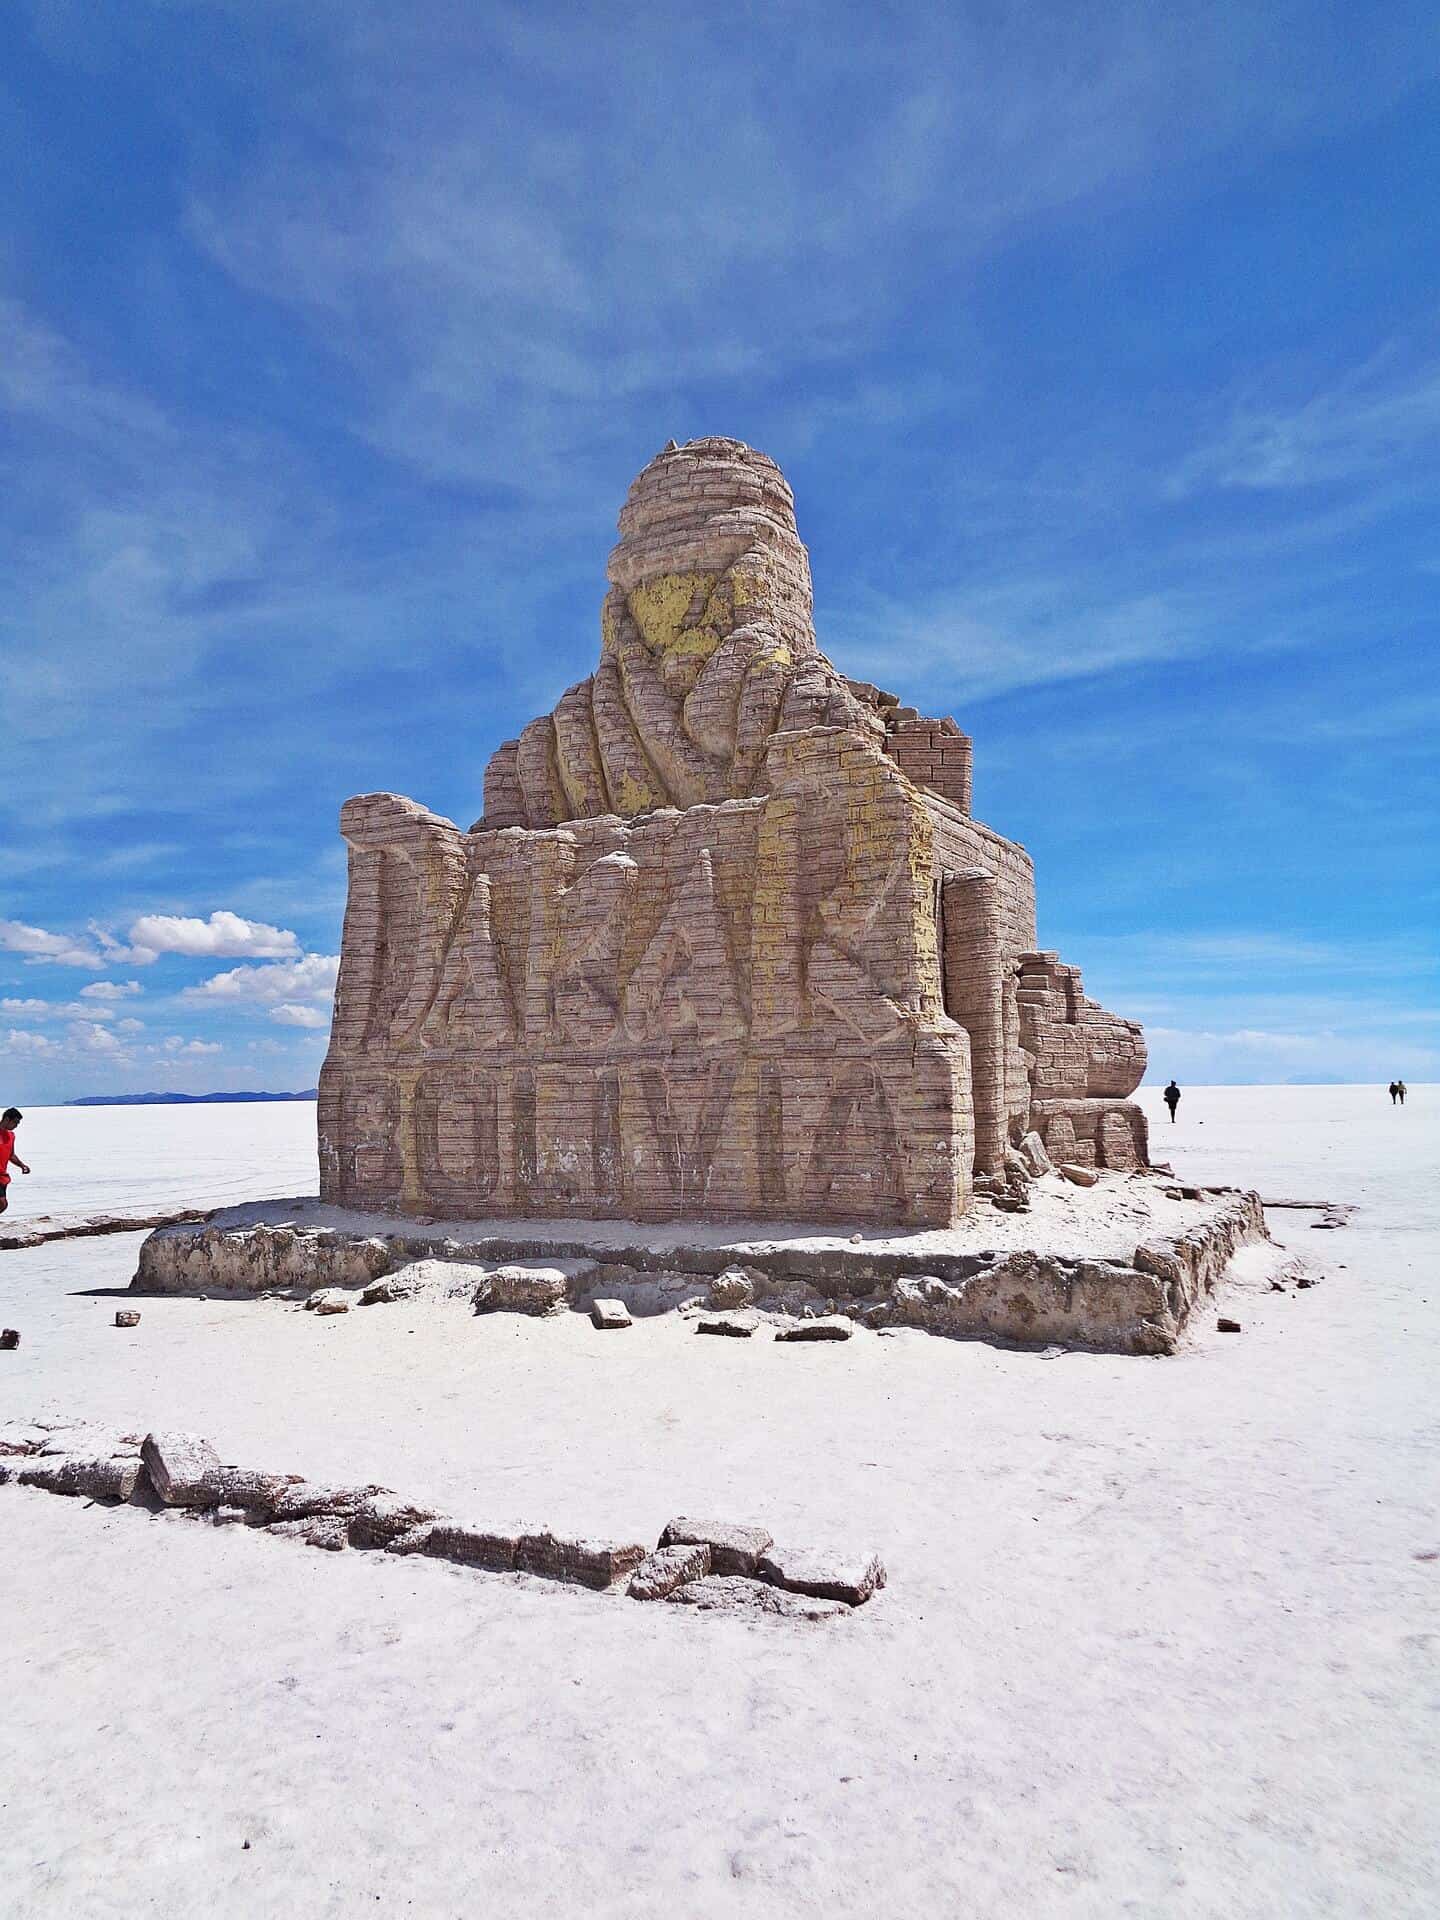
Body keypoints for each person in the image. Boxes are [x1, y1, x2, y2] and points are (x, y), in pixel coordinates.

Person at [0, 1107, 31, 1213]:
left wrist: (22, 1165)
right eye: (15, 1122)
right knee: (2, 1202)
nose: (16, 1126)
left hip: (2, 1177)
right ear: (7, 1119)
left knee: (3, 1205)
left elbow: (11, 1155)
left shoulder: (11, 1136)